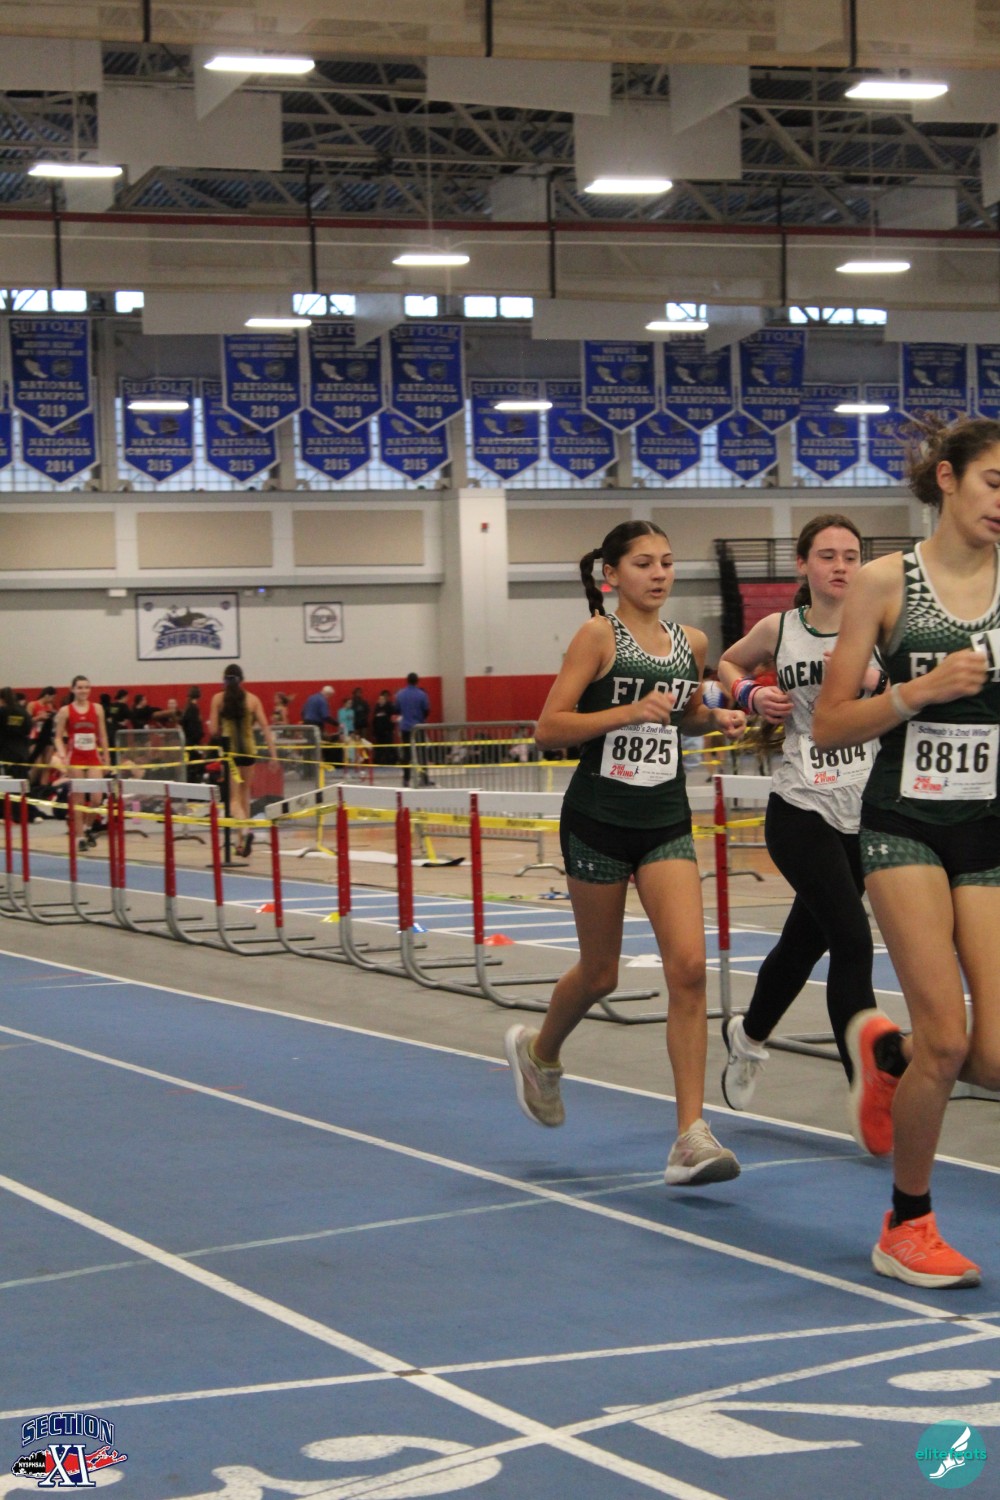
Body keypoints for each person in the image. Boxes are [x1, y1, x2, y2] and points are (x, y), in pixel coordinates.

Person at [813, 416, 1000, 1290]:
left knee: (991, 1058)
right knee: (950, 1043)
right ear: (949, 479)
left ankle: (888, 1058)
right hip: (904, 825)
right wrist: (919, 690)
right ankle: (907, 1225)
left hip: (986, 828)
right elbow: (830, 723)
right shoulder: (886, 582)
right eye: (995, 483)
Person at [503, 520, 746, 1185]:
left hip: (664, 819)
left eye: (667, 561)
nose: (659, 573)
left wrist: (715, 718)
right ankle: (540, 1054)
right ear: (612, 575)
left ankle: (690, 1136)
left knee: (689, 969)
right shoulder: (596, 636)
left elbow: (680, 713)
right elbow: (549, 727)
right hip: (598, 821)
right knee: (601, 973)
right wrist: (626, 712)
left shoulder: (691, 642)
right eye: (644, 563)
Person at [717, 514, 910, 1153]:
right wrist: (750, 695)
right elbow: (728, 663)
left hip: (865, 808)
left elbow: (916, 694)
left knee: (804, 944)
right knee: (852, 938)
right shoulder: (780, 629)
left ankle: (747, 1036)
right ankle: (868, 1088)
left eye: (851, 555)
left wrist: (882, 683)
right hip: (800, 805)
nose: (840, 566)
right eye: (827, 555)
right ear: (803, 565)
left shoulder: (881, 628)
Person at [208, 664, 277, 859]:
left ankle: (246, 832)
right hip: (249, 752)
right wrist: (273, 755)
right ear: (242, 680)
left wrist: (221, 728)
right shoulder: (253, 699)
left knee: (233, 801)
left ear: (224, 680)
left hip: (231, 754)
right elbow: (265, 728)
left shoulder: (218, 699)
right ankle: (241, 843)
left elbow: (213, 730)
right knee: (245, 795)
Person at [53, 675, 110, 850]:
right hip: (75, 758)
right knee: (78, 799)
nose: (83, 691)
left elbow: (102, 735)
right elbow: (58, 737)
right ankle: (79, 838)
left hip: (93, 757)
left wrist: (106, 757)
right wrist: (63, 755)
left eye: (86, 687)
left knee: (97, 798)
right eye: (80, 687)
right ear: (73, 689)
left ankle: (87, 827)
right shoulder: (65, 711)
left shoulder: (98, 709)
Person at [396, 671, 430, 787]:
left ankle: (406, 779)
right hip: (418, 727)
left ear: (407, 681)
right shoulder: (422, 694)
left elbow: (397, 709)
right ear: (417, 681)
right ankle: (424, 778)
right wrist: (420, 718)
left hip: (405, 727)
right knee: (422, 753)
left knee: (407, 754)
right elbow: (426, 710)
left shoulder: (400, 694)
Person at [0, 686, 32, 775]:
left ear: (2, 699)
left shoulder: (2, 711)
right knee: (22, 776)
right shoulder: (23, 711)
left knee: (8, 777)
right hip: (22, 749)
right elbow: (28, 729)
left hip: (6, 749)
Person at [371, 689, 398, 766]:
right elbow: (374, 720)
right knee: (379, 747)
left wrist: (392, 728)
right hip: (379, 732)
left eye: (382, 699)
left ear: (385, 700)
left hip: (387, 731)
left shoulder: (390, 707)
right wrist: (374, 732)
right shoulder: (377, 708)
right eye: (379, 699)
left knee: (389, 746)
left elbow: (393, 718)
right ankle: (378, 761)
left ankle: (392, 761)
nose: (381, 700)